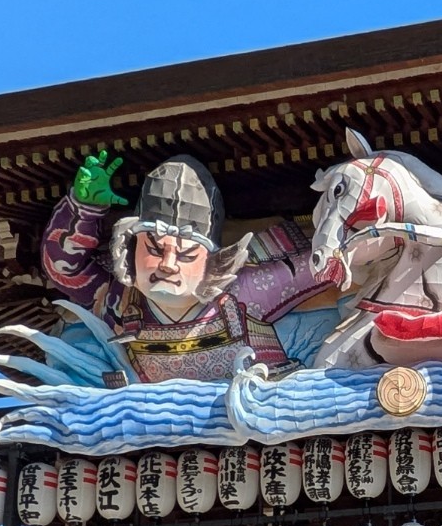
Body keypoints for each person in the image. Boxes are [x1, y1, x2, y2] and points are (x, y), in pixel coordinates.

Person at [42, 150, 328, 382]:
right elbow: (66, 270)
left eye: (186, 255)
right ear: (129, 250)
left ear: (211, 262)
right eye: (154, 249)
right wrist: (82, 212)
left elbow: (322, 265)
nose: (167, 265)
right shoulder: (120, 300)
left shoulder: (245, 292)